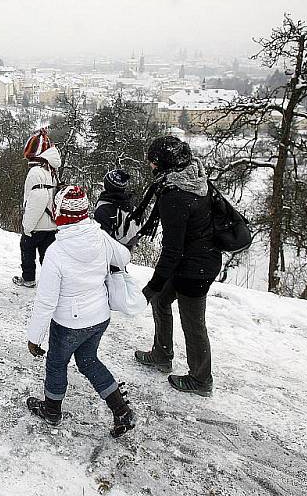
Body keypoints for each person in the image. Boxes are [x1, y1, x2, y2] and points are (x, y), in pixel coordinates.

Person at [25, 185, 136, 437]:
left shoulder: (56, 252)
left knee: (56, 363)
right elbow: (124, 258)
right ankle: (121, 411)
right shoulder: (100, 237)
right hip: (99, 317)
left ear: (59, 214)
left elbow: (46, 302)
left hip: (69, 324)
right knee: (88, 361)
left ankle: (51, 410)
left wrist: (35, 338)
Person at [130, 136, 222, 397]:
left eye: (152, 161)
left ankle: (201, 379)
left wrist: (151, 286)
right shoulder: (194, 178)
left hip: (196, 267)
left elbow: (172, 251)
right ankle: (162, 354)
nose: (149, 165)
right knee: (162, 300)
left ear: (163, 164)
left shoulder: (176, 196)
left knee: (193, 322)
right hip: (196, 258)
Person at [13, 129, 61, 288]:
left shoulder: (35, 172)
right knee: (47, 257)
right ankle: (52, 283)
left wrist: (28, 226)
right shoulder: (51, 170)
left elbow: (38, 200)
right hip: (51, 224)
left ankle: (28, 279)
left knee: (27, 249)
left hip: (38, 224)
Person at [94, 169, 140, 256]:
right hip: (126, 248)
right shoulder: (128, 203)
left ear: (108, 185)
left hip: (111, 252)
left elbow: (101, 238)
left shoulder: (104, 209)